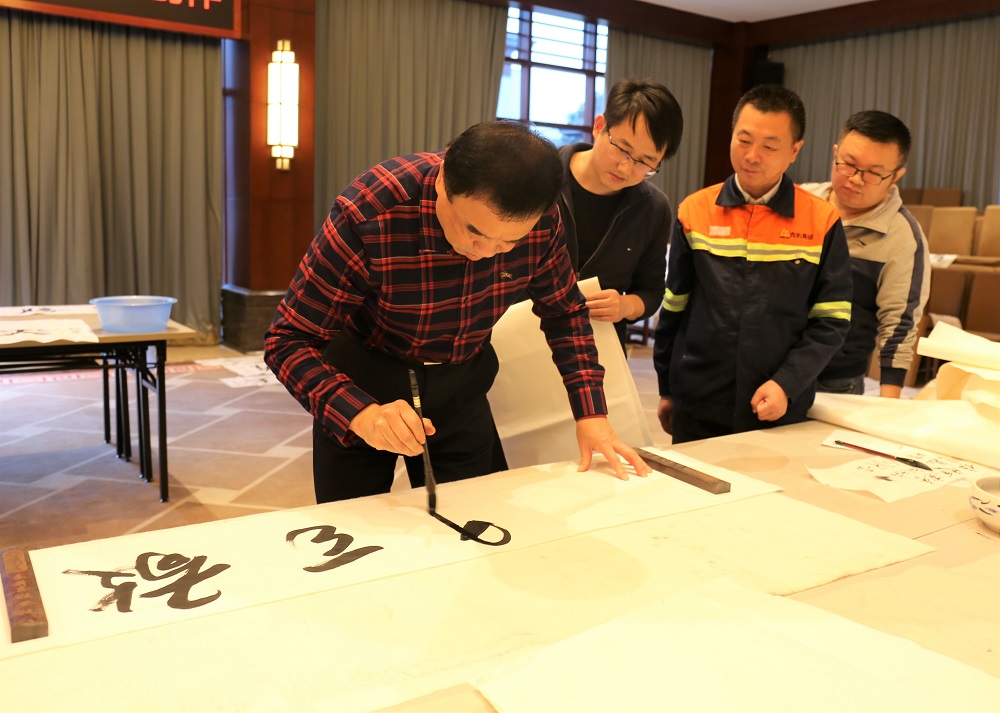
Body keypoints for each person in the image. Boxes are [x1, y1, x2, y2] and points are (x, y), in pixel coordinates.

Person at [265, 120, 650, 503]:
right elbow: (287, 341)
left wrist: (591, 413)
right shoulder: (372, 211)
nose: (484, 252)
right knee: (357, 520)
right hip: (365, 375)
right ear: (443, 181)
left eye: (508, 243)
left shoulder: (540, 218)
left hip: (462, 384)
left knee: (476, 516)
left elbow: (564, 313)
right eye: (473, 231)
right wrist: (361, 415)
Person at [652, 85, 852, 444]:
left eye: (770, 147)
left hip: (779, 406)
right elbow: (674, 308)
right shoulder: (694, 210)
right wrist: (666, 387)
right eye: (743, 140)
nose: (752, 156)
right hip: (698, 402)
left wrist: (786, 383)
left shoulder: (822, 220)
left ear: (795, 151)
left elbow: (831, 321)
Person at [801, 110, 930, 397]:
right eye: (848, 164)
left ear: (896, 176)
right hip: (767, 370)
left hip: (835, 382)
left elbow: (899, 325)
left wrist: (888, 405)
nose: (856, 179)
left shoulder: (902, 236)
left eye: (873, 173)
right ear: (835, 153)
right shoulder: (800, 203)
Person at [556, 77, 683, 350]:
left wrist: (624, 305)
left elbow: (651, 292)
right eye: (623, 149)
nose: (626, 169)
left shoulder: (653, 208)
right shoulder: (544, 175)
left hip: (597, 347)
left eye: (645, 162)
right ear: (599, 126)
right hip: (521, 338)